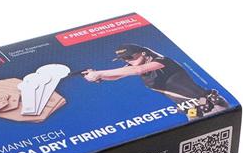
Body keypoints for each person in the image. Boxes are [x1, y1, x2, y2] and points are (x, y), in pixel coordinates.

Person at [82, 43, 228, 117]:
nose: (127, 61)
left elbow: (138, 70)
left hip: (209, 105)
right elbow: (118, 75)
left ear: (143, 53)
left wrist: (100, 73)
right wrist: (98, 76)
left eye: (130, 57)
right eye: (124, 59)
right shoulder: (134, 66)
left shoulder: (162, 61)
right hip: (192, 111)